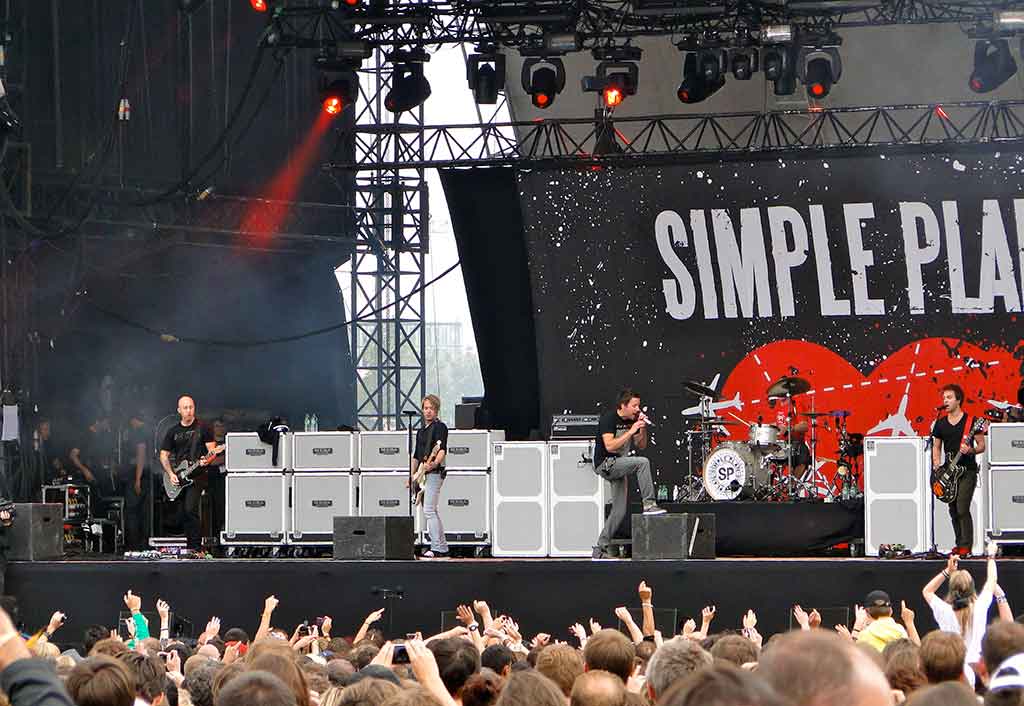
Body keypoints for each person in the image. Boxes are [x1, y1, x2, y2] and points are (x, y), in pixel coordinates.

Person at [592, 389, 664, 560]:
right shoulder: (609, 419)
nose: (637, 409)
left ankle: (599, 549)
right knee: (642, 463)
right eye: (634, 406)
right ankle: (649, 504)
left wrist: (642, 429)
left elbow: (641, 446)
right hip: (605, 463)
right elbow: (609, 446)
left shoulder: (633, 419)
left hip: (619, 463)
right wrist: (631, 431)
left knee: (619, 511)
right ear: (623, 406)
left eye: (638, 405)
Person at [921, 542, 998, 685]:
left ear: (951, 589)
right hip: (976, 668)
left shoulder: (944, 610)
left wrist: (947, 571)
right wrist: (991, 556)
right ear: (972, 588)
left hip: (951, 667)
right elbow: (992, 580)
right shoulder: (980, 607)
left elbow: (927, 591)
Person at [931, 383, 986, 555]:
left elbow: (981, 445)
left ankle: (966, 546)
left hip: (967, 470)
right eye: (944, 398)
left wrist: (971, 450)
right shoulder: (940, 424)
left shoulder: (971, 421)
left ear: (958, 400)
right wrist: (936, 465)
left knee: (962, 507)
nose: (945, 401)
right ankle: (959, 544)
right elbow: (937, 446)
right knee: (953, 508)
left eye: (949, 397)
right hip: (949, 471)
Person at [159, 396, 217, 550]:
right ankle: (190, 544)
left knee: (190, 509)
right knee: (182, 513)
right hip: (179, 476)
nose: (189, 410)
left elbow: (212, 452)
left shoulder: (203, 428)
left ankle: (195, 548)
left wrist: (207, 460)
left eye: (191, 407)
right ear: (179, 410)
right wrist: (171, 474)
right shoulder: (173, 431)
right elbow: (163, 455)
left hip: (197, 475)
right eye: (185, 408)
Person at [411, 395, 449, 559]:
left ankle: (436, 547)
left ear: (436, 410)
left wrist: (433, 464)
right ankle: (442, 546)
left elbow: (441, 450)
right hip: (423, 474)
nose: (428, 411)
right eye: (425, 408)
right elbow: (416, 456)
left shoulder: (440, 427)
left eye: (431, 408)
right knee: (431, 510)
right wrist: (412, 476)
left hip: (434, 473)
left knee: (428, 510)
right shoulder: (420, 431)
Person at [118, 412, 150, 550]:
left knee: (132, 511)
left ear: (134, 420)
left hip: (138, 476)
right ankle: (142, 544)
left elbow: (141, 455)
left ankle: (133, 545)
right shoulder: (150, 431)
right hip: (146, 476)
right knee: (143, 512)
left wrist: (137, 478)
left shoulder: (139, 433)